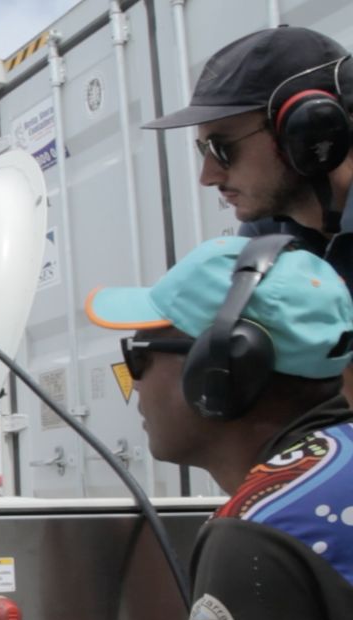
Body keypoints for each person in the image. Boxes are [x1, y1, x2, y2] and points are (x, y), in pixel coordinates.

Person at [50, 234, 353, 620]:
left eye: (138, 356)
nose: (132, 385)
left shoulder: (262, 533)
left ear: (218, 368)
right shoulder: (330, 479)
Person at [143, 26, 353, 399]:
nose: (208, 176)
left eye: (222, 148)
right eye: (202, 150)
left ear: (308, 131)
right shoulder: (267, 237)